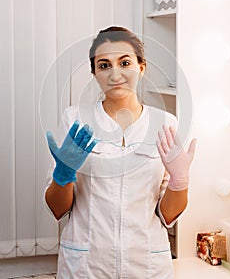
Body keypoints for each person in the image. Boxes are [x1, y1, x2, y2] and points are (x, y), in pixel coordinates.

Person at [44, 26, 196, 279]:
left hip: (147, 266)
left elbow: (168, 215)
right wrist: (63, 175)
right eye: (104, 65)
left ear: (141, 67)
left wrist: (179, 183)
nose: (115, 74)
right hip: (86, 265)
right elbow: (57, 209)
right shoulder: (76, 120)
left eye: (125, 62)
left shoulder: (165, 124)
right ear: (94, 73)